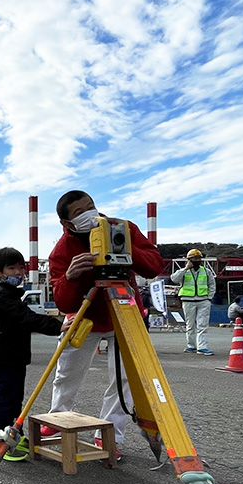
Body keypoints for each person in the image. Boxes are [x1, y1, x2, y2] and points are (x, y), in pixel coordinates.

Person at [45, 190, 164, 460]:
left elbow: (154, 264)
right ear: (67, 224)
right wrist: (71, 276)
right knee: (66, 375)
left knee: (124, 382)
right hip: (84, 318)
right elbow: (64, 303)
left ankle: (110, 436)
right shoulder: (62, 251)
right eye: (79, 213)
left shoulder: (122, 229)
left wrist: (125, 252)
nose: (91, 214)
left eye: (91, 206)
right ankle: (58, 424)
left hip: (124, 312)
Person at [0, 247, 62, 461]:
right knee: (3, 401)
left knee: (15, 402)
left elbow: (26, 318)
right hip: (4, 358)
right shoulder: (1, 294)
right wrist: (59, 326)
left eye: (21, 267)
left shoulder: (10, 293)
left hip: (16, 357)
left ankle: (13, 436)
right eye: (12, 268)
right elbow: (26, 318)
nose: (18, 273)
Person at [169, 249, 217, 355]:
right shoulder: (183, 271)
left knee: (202, 325)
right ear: (189, 260)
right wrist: (186, 268)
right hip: (188, 300)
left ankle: (202, 347)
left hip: (203, 300)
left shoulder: (206, 271)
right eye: (194, 258)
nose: (197, 260)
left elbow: (212, 285)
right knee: (190, 325)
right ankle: (191, 345)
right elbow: (174, 279)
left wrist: (209, 297)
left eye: (199, 258)